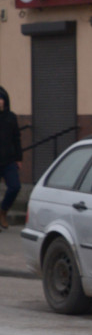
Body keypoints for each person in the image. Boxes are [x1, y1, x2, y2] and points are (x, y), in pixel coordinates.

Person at [0, 86, 22, 230]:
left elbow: (17, 138)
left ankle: (3, 211)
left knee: (15, 187)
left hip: (8, 160)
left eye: (1, 98)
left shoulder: (11, 117)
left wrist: (19, 158)